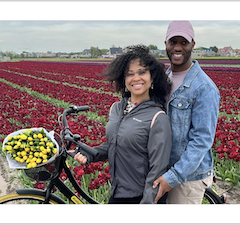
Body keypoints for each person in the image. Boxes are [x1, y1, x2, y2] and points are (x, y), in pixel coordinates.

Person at [71, 44, 172, 204]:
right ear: (123, 79)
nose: (136, 78)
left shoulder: (157, 117)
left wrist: (147, 203)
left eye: (142, 72)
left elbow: (158, 169)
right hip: (117, 192)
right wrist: (91, 154)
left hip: (140, 197)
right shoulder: (116, 109)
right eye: (129, 74)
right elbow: (114, 145)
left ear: (152, 77)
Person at [153, 20, 220, 204]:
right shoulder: (164, 79)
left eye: (184, 42)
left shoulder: (204, 88)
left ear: (193, 45)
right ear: (165, 44)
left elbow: (202, 140)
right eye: (173, 41)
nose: (178, 47)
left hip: (187, 177)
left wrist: (173, 176)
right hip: (163, 168)